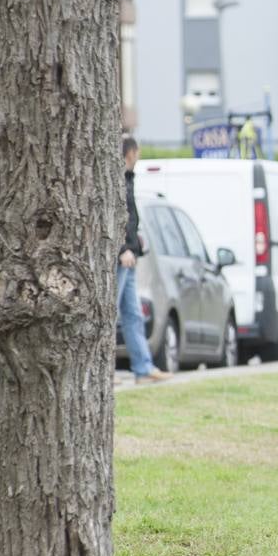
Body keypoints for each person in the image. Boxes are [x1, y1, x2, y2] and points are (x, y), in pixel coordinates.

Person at [118, 136, 171, 384]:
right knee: (109, 314)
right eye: (137, 152)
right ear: (131, 153)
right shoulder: (117, 180)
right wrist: (121, 249)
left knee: (133, 315)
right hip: (121, 259)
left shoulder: (128, 179)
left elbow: (129, 219)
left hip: (130, 256)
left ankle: (143, 367)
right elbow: (113, 217)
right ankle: (105, 370)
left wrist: (135, 242)